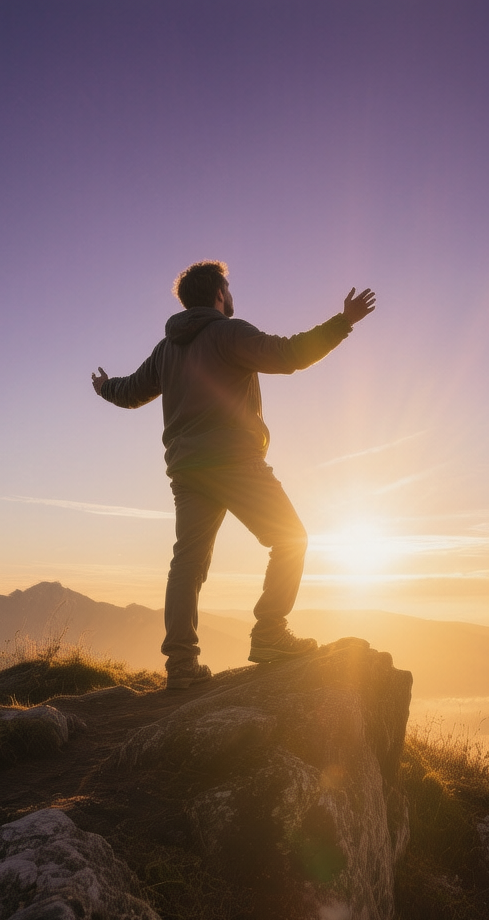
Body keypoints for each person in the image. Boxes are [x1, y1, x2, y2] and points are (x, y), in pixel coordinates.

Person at [92, 261, 376, 688]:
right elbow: (289, 354)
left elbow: (131, 392)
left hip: (187, 469)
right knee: (291, 538)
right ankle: (269, 634)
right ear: (219, 295)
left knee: (187, 563)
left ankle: (182, 666)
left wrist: (104, 386)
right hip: (233, 460)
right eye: (229, 288)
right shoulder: (228, 332)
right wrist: (343, 322)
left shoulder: (165, 349)